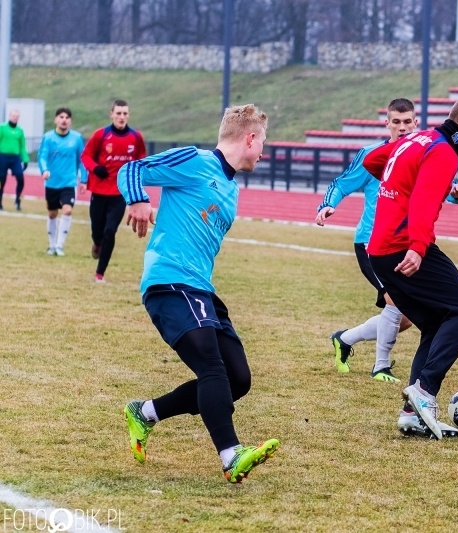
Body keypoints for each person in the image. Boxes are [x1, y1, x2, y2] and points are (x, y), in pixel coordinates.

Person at [118, 104, 279, 484]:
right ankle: (230, 455)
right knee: (211, 366)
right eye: (263, 143)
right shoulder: (195, 161)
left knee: (238, 379)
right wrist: (138, 199)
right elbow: (133, 168)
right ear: (250, 138)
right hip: (170, 283)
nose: (263, 152)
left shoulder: (231, 191)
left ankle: (146, 412)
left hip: (200, 289)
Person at [363, 94, 458, 440]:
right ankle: (423, 391)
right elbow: (422, 203)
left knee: (436, 323)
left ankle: (412, 414)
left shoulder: (417, 140)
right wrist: (418, 247)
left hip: (381, 248)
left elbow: (374, 160)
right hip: (403, 246)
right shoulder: (443, 152)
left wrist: (401, 183)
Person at [315, 98, 458, 384]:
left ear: (415, 123)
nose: (401, 127)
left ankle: (344, 339)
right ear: (386, 123)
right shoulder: (374, 154)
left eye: (407, 121)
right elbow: (340, 183)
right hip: (372, 243)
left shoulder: (422, 149)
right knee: (396, 304)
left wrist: (455, 195)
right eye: (395, 122)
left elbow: (428, 191)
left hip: (402, 243)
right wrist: (328, 204)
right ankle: (381, 366)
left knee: (408, 318)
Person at [80, 99, 147, 283]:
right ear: (112, 114)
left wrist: (136, 185)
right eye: (118, 113)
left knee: (110, 231)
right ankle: (97, 243)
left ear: (129, 115)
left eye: (125, 113)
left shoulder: (136, 137)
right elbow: (85, 156)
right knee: (97, 231)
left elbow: (141, 162)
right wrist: (95, 168)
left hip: (119, 194)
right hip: (99, 192)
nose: (122, 117)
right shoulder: (101, 135)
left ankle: (100, 273)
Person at [38, 107, 87, 256]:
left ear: (70, 121)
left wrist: (84, 180)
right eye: (61, 117)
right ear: (55, 119)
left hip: (69, 183)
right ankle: (52, 245)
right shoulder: (48, 137)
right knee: (52, 214)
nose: (64, 120)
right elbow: (42, 157)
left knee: (67, 210)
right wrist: (44, 170)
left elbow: (82, 160)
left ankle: (60, 246)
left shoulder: (77, 138)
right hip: (52, 183)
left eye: (67, 117)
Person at [0, 109, 29, 211]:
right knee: (1, 180)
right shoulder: (2, 128)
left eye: (17, 116)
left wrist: (25, 159)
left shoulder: (20, 131)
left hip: (15, 158)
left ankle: (17, 200)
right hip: (2, 157)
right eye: (13, 115)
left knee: (21, 179)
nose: (15, 117)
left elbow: (22, 147)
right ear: (9, 116)